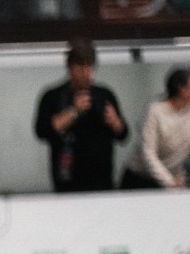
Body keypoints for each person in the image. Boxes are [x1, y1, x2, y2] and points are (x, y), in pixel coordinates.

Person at [33, 42, 128, 194]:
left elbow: (123, 135)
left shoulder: (104, 95)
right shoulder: (53, 96)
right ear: (70, 67)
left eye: (90, 67)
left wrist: (115, 122)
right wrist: (74, 112)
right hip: (67, 179)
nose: (86, 73)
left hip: (102, 179)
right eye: (81, 67)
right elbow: (42, 131)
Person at [130, 68, 190, 190]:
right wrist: (169, 181)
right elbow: (148, 153)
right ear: (182, 89)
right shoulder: (155, 111)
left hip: (174, 178)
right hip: (142, 178)